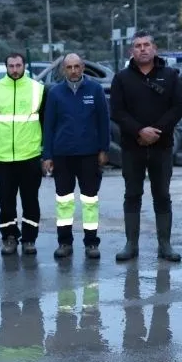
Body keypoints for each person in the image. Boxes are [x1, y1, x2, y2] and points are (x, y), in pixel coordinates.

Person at [109, 32, 182, 262]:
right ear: (132, 51)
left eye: (147, 45)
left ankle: (165, 246)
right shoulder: (122, 78)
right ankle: (131, 245)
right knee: (132, 194)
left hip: (162, 147)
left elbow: (178, 108)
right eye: (138, 46)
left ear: (155, 48)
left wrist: (156, 132)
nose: (142, 49)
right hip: (132, 148)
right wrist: (140, 131)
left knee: (162, 195)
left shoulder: (170, 76)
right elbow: (117, 112)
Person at [41, 53, 110, 260]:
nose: (73, 70)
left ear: (82, 68)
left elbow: (103, 121)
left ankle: (91, 244)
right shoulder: (55, 93)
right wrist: (47, 155)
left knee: (90, 200)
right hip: (63, 156)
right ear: (63, 69)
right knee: (64, 201)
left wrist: (104, 149)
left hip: (89, 155)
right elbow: (49, 125)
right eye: (69, 67)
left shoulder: (95, 90)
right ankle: (64, 243)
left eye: (77, 66)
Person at [0, 53, 45, 256]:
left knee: (30, 200)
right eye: (11, 66)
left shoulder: (38, 89)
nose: (15, 69)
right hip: (3, 157)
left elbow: (45, 121)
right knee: (6, 200)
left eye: (18, 65)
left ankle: (29, 239)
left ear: (24, 66)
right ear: (6, 67)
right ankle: (9, 237)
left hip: (30, 155)